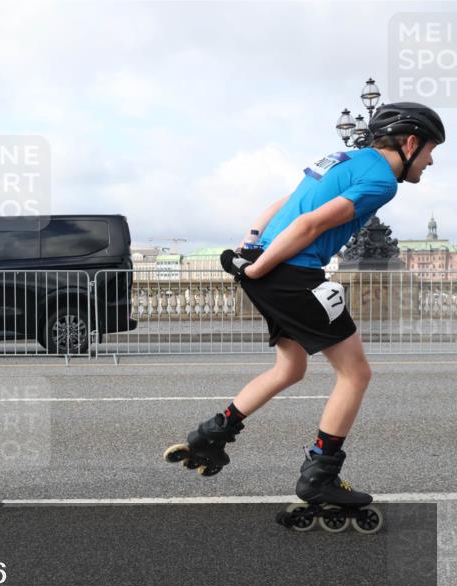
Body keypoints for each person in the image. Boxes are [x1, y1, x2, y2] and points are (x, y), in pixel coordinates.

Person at [166, 102, 444, 512]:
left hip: (270, 261)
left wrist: (251, 243)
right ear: (410, 142)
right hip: (291, 271)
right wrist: (260, 267)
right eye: (430, 150)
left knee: (290, 368)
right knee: (356, 373)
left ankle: (211, 436)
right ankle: (320, 475)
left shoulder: (344, 158)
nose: (431, 161)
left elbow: (288, 201)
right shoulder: (383, 181)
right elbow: (310, 225)